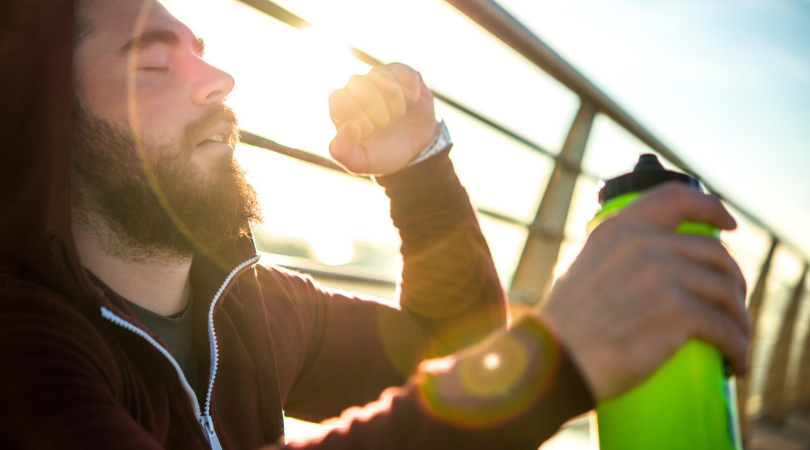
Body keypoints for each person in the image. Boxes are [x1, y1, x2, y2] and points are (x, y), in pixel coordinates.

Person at [0, 0, 750, 449]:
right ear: (47, 120)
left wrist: (418, 170)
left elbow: (455, 349)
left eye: (202, 53)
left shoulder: (258, 308)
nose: (219, 80)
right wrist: (561, 358)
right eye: (152, 65)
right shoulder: (23, 341)